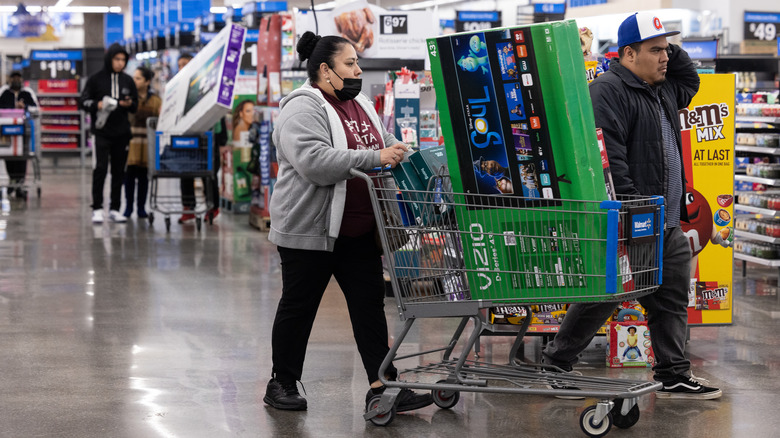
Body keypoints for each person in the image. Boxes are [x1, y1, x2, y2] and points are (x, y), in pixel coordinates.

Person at [542, 11, 721, 400]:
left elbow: (690, 79)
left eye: (666, 50)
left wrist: (664, 40)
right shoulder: (608, 90)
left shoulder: (663, 88)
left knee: (672, 300)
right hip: (636, 219)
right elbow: (611, 159)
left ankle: (672, 372)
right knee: (604, 296)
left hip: (668, 221)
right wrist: (629, 213)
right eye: (655, 50)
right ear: (627, 54)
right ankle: (556, 363)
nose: (666, 57)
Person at [263, 31, 432, 412]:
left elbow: (384, 141)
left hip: (359, 230)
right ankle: (281, 382)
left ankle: (382, 383)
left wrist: (404, 152)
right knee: (299, 306)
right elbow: (315, 163)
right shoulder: (302, 108)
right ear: (325, 70)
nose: (358, 69)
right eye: (350, 63)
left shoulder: (363, 105)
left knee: (369, 307)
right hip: (311, 229)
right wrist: (375, 157)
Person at [80, 43, 138, 223]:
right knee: (100, 169)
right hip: (101, 133)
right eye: (117, 59)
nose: (120, 63)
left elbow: (135, 106)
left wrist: (128, 104)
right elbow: (83, 102)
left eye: (123, 60)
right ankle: (97, 207)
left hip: (122, 133)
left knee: (119, 172)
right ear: (109, 59)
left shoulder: (128, 81)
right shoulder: (96, 79)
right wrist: (97, 104)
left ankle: (114, 208)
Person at [176, 53, 222, 224]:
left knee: (208, 174)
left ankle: (212, 207)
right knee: (185, 171)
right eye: (179, 64)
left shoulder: (206, 82)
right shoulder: (177, 86)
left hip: (207, 137)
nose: (182, 67)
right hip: (186, 136)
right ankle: (188, 208)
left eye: (185, 64)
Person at [124, 66, 162, 219]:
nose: (134, 81)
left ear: (147, 81)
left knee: (143, 177)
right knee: (129, 177)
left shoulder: (156, 100)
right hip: (131, 143)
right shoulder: (128, 100)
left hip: (147, 144)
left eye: (138, 78)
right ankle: (128, 207)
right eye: (134, 78)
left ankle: (141, 207)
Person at [0, 70, 38, 199]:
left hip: (23, 132)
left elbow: (36, 109)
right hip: (7, 132)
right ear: (9, 79)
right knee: (9, 157)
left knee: (22, 158)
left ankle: (20, 184)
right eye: (13, 78)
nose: (16, 80)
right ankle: (12, 181)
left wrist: (25, 107)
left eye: (18, 77)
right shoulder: (4, 93)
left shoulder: (27, 93)